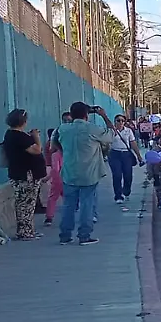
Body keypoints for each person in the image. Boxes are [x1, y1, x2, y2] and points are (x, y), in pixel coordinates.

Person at [55, 102, 114, 245]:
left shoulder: (63, 129)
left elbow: (56, 142)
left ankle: (65, 236)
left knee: (68, 205)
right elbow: (111, 135)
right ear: (86, 114)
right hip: (89, 173)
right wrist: (104, 116)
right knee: (87, 204)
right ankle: (84, 235)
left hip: (69, 172)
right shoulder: (93, 129)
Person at [2, 109, 47, 240]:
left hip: (18, 173)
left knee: (23, 203)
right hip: (26, 175)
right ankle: (25, 232)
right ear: (23, 121)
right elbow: (37, 150)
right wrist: (36, 137)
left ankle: (27, 230)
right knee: (27, 204)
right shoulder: (20, 137)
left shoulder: (10, 134)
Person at [44, 111, 74, 227]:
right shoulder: (58, 134)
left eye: (69, 120)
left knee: (58, 196)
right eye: (65, 120)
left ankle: (50, 217)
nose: (66, 122)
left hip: (63, 176)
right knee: (62, 196)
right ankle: (55, 217)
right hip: (63, 177)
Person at [108, 114, 142, 208]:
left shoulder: (128, 131)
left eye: (122, 121)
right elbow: (106, 142)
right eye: (118, 120)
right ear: (115, 122)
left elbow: (133, 143)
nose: (120, 122)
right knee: (117, 175)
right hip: (115, 154)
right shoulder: (111, 131)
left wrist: (138, 156)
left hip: (126, 154)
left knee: (128, 174)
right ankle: (118, 195)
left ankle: (126, 190)